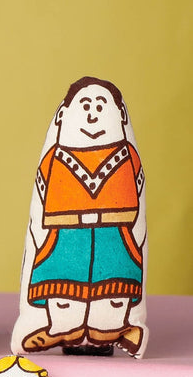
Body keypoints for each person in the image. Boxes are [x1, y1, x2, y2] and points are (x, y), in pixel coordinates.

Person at [17, 76, 146, 355]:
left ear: (120, 116)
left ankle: (114, 328)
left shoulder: (127, 156)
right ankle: (61, 327)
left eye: (101, 107)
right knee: (61, 283)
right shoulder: (54, 158)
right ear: (63, 115)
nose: (92, 114)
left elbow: (136, 193)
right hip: (64, 236)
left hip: (114, 235)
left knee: (114, 285)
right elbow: (41, 197)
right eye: (85, 106)